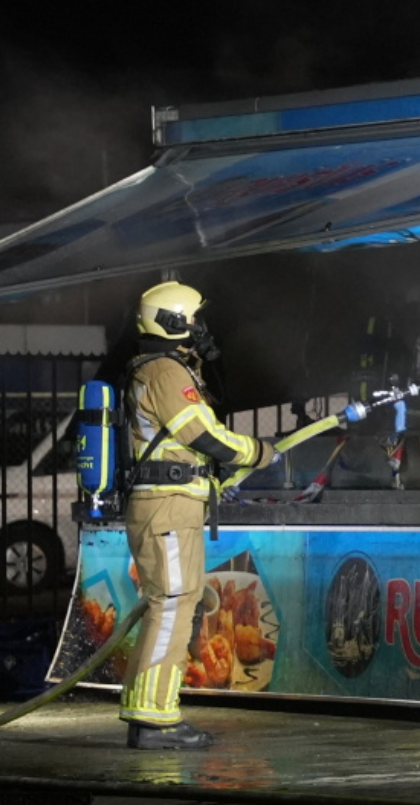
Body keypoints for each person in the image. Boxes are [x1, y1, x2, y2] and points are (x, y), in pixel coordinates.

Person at [118, 280, 277, 750]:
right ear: (172, 322)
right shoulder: (166, 371)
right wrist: (261, 452)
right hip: (166, 508)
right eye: (192, 319)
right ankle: (152, 721)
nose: (199, 326)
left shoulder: (167, 367)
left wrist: (211, 357)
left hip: (174, 506)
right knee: (170, 606)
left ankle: (154, 714)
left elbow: (214, 405)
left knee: (178, 604)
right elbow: (204, 435)